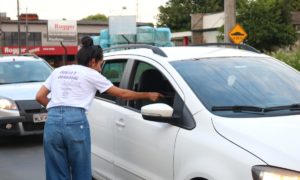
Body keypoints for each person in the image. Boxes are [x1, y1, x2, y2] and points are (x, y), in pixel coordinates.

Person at [35, 36, 162, 180]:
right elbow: (123, 93)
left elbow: (39, 96)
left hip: (52, 121)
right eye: (100, 64)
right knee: (80, 170)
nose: (100, 68)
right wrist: (148, 95)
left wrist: (57, 109)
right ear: (93, 61)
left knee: (55, 172)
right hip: (75, 122)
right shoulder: (92, 74)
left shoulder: (58, 71)